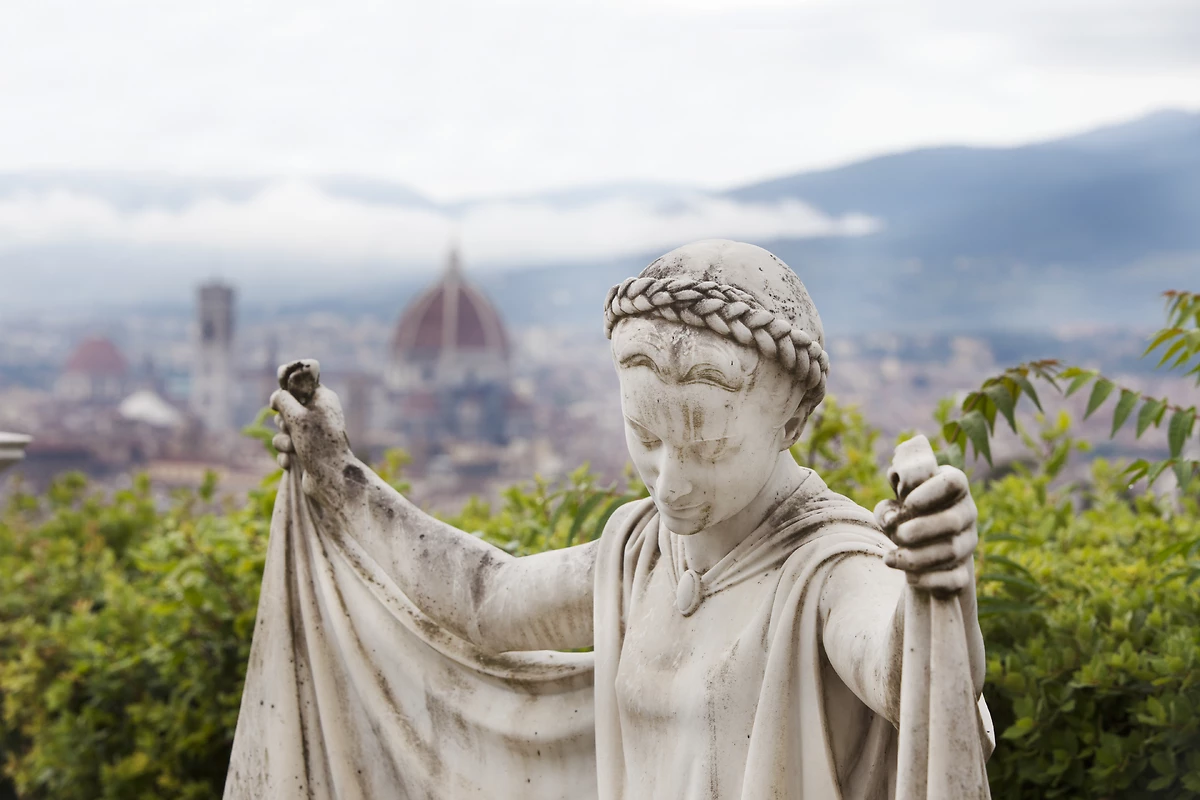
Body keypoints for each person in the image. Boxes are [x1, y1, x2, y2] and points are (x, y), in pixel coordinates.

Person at [225, 239, 992, 800]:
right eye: (647, 439)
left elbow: (905, 672)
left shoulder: (829, 569)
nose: (671, 481)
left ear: (792, 419)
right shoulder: (639, 551)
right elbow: (486, 601)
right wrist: (342, 477)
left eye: (709, 445)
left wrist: (934, 582)